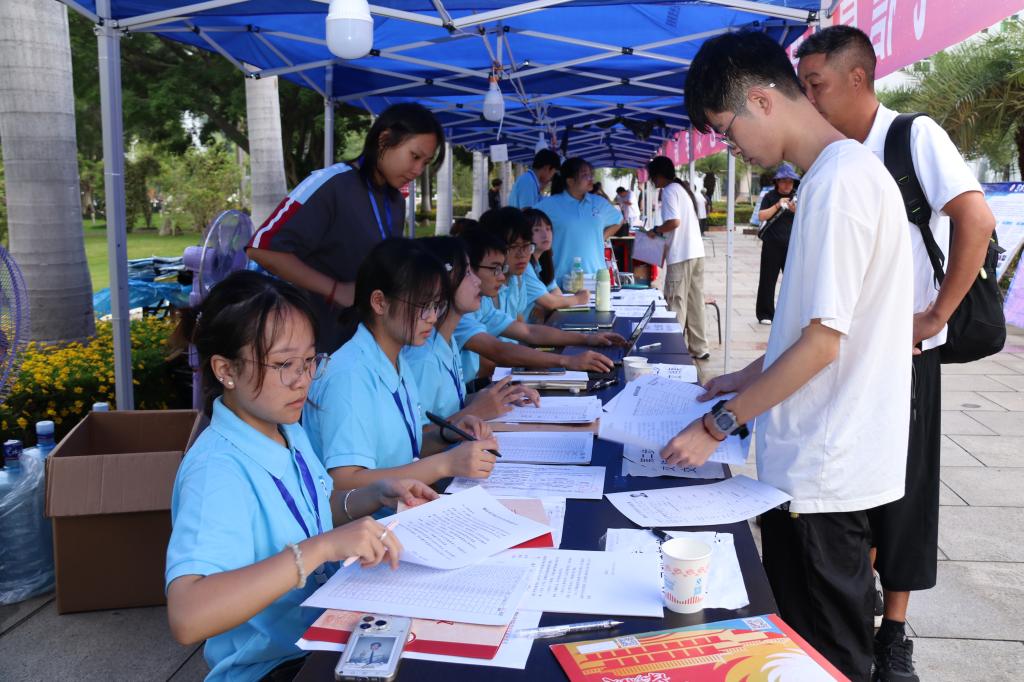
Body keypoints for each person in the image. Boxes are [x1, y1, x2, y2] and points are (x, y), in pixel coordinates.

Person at [668, 30, 912, 681]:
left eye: (727, 132)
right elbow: (819, 327)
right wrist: (742, 377)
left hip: (821, 477)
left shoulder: (840, 185)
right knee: (801, 652)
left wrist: (719, 423)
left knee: (823, 660)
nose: (734, 149)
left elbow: (823, 344)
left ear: (761, 99)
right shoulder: (833, 177)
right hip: (817, 466)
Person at [796, 26, 995, 681]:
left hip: (906, 356)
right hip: (841, 356)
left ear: (858, 78)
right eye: (802, 87)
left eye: (816, 84)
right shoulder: (829, 157)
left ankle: (894, 635)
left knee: (905, 496)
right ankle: (857, 610)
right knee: (849, 487)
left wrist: (935, 316)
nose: (809, 98)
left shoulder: (912, 136)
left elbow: (976, 218)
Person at [164, 270, 438, 681]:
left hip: (319, 635)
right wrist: (319, 549)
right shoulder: (216, 471)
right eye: (283, 364)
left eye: (310, 361)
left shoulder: (286, 429)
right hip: (272, 667)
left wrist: (375, 494)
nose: (302, 380)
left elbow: (310, 508)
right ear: (225, 369)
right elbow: (188, 616)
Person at [302, 238, 499, 492]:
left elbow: (404, 452)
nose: (432, 317)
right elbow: (344, 481)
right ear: (379, 302)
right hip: (377, 516)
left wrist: (447, 433)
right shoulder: (349, 376)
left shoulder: (396, 360)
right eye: (422, 306)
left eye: (436, 306)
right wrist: (445, 464)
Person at [246, 103, 445, 353]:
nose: (418, 170)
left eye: (425, 162)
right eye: (414, 156)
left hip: (363, 344)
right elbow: (262, 249)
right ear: (384, 140)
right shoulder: (331, 185)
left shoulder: (395, 201)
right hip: (313, 344)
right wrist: (334, 289)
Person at [455, 228, 626, 381]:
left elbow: (528, 331)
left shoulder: (482, 304)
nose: (500, 276)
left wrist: (587, 338)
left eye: (526, 246)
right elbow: (497, 350)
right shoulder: (461, 313)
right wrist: (567, 361)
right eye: (495, 269)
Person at [406, 236, 541, 424]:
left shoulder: (447, 341)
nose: (477, 281)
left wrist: (498, 396)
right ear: (440, 281)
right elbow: (416, 437)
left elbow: (451, 406)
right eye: (467, 273)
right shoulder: (422, 359)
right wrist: (476, 411)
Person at [645, 156, 710, 361]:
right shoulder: (682, 189)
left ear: (658, 175)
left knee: (675, 301)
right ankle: (699, 347)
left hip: (681, 254)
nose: (652, 181)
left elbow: (674, 222)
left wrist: (656, 230)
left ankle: (674, 349)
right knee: (695, 302)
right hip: (696, 252)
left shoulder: (669, 191)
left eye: (652, 177)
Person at [536, 157, 624, 284]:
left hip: (596, 280)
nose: (591, 178)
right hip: (562, 280)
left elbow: (619, 220)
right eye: (584, 175)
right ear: (570, 181)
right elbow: (528, 223)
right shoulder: (549, 205)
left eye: (590, 174)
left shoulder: (599, 203)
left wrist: (601, 237)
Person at [522, 207, 589, 320]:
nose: (545, 234)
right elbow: (550, 302)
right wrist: (578, 299)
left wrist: (544, 306)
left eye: (548, 229)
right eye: (537, 230)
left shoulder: (541, 263)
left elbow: (556, 291)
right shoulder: (524, 266)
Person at [755, 163, 801, 325]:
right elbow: (761, 216)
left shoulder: (798, 196)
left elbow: (808, 217)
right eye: (784, 181)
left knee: (792, 281)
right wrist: (777, 205)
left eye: (790, 181)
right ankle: (765, 313)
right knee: (768, 280)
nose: (787, 185)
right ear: (777, 182)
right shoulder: (770, 196)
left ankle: (791, 313)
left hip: (792, 245)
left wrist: (796, 210)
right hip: (772, 245)